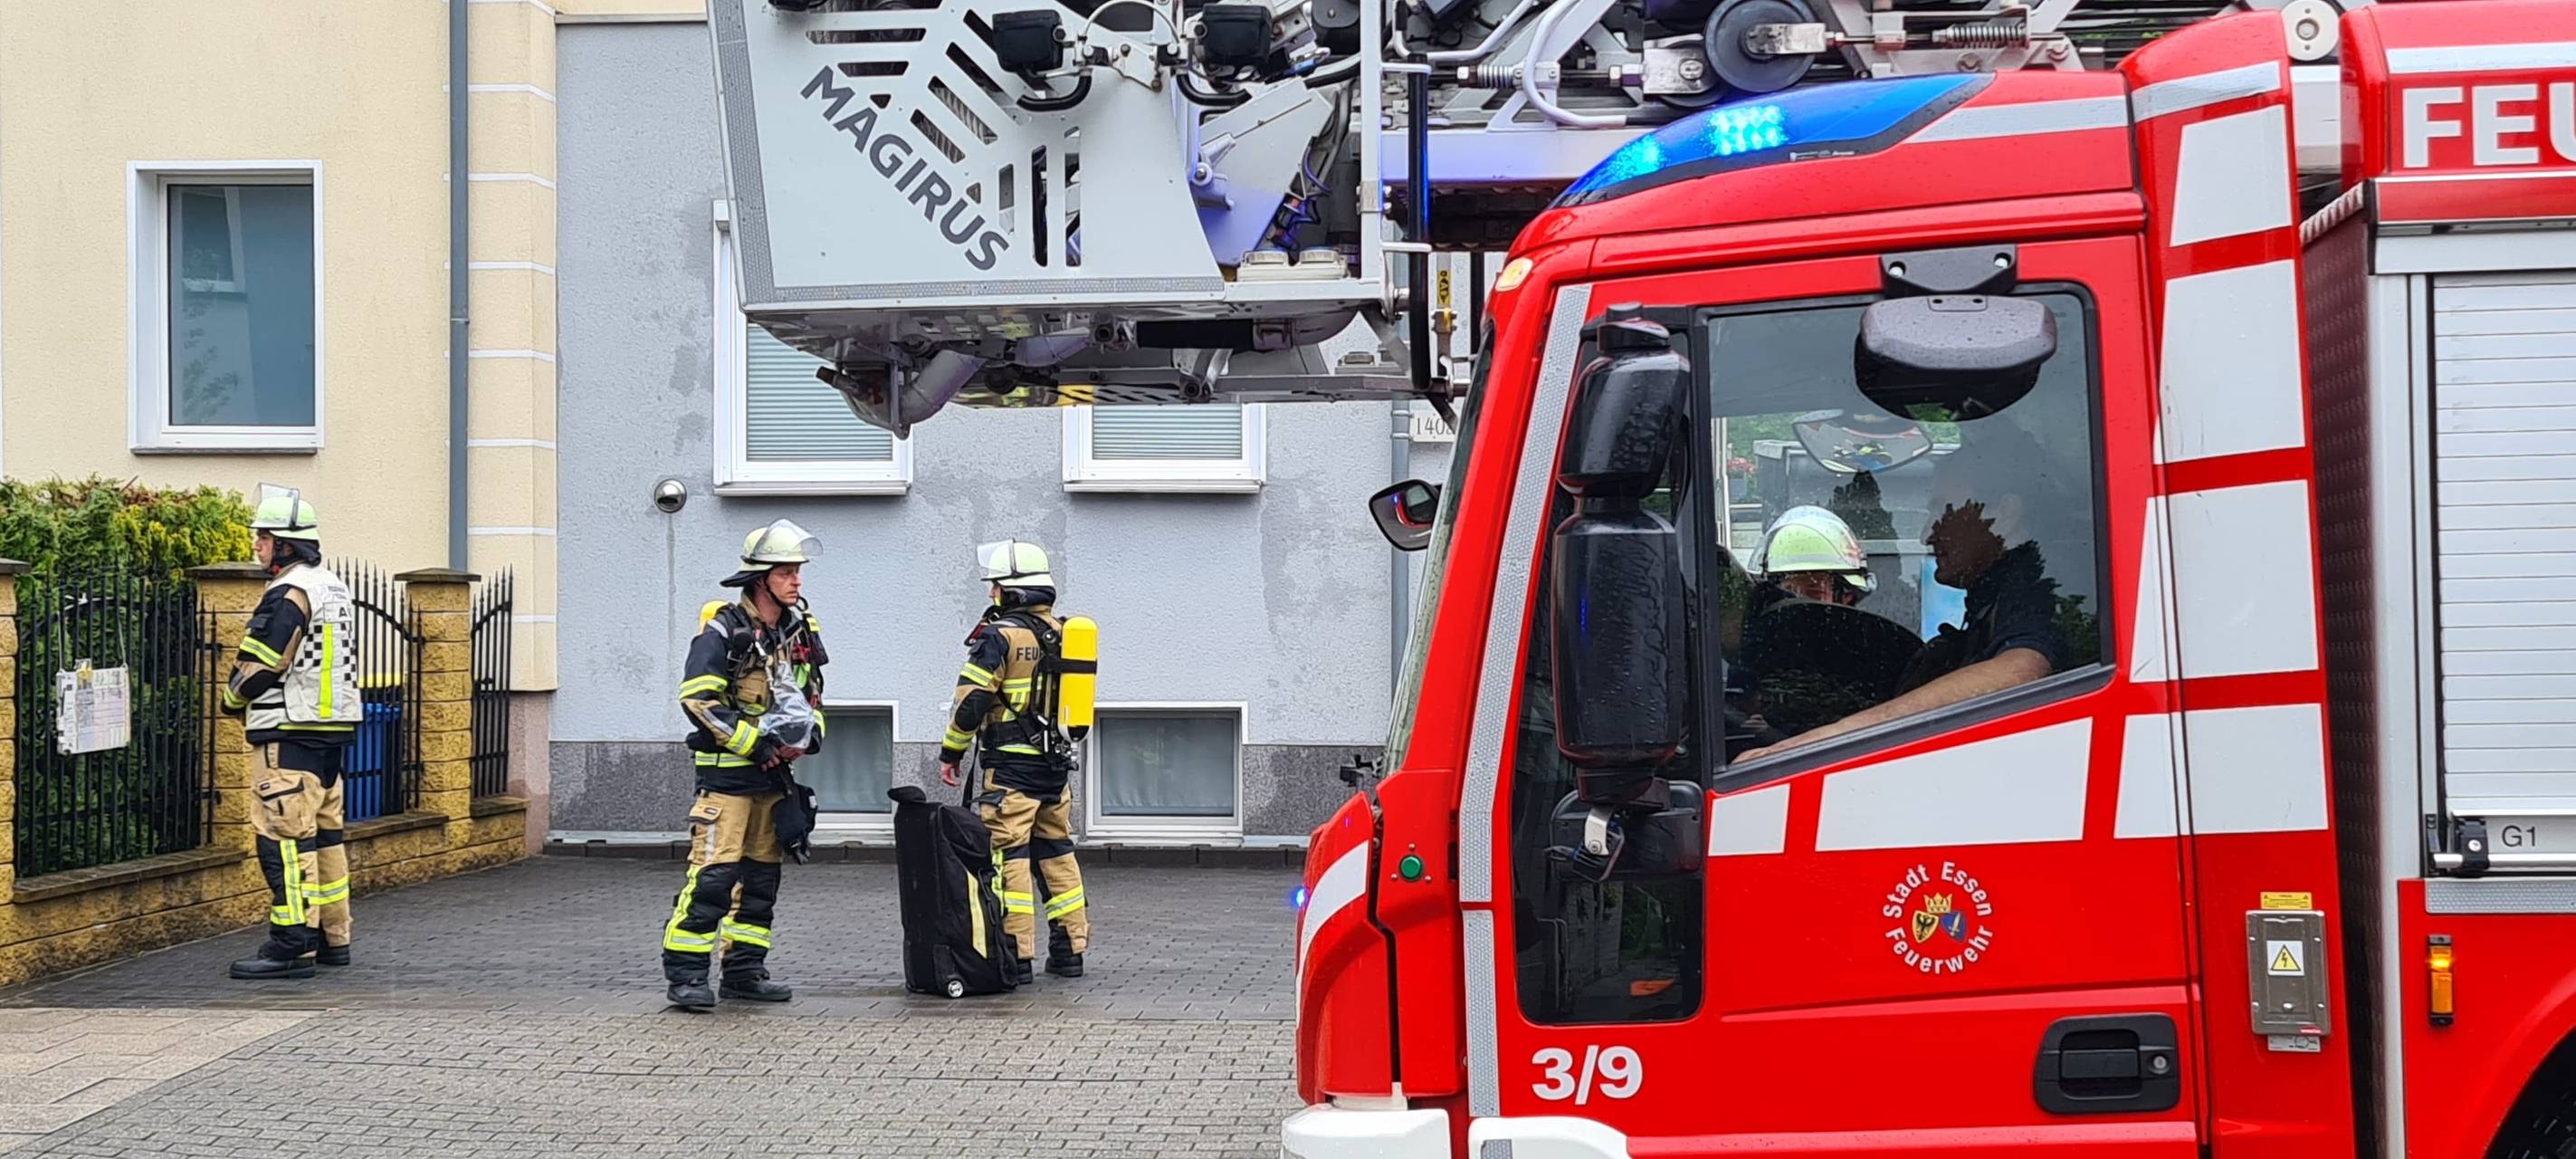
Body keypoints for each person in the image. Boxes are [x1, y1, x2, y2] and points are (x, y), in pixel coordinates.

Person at [1738, 431, 2069, 761]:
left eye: (1942, 510)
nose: (1927, 534)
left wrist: (1819, 743)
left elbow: (2022, 669)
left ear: (2005, 514)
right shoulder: (1995, 594)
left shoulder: (2041, 583)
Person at [662, 519, 828, 1010]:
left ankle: (744, 973)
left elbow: (810, 693)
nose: (797, 580)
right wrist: (755, 743)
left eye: (798, 571)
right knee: (713, 878)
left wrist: (810, 735)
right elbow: (698, 700)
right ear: (761, 580)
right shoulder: (724, 632)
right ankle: (687, 976)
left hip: (773, 780)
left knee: (760, 883)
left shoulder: (799, 632)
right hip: (727, 781)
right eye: (787, 572)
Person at [223, 486, 363, 981]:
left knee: (283, 839)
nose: (256, 546)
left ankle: (290, 944)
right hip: (332, 733)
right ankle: (332, 938)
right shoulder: (335, 587)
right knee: (325, 839)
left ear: (285, 544)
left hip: (288, 734)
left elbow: (262, 663)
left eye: (263, 537)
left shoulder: (288, 593)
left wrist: (232, 697)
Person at [940, 540, 1089, 983]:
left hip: (1009, 773)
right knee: (1058, 852)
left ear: (1014, 591)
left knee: (1010, 858)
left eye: (997, 587)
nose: (991, 595)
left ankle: (1015, 954)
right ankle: (1070, 949)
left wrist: (951, 751)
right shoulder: (1066, 634)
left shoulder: (998, 637)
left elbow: (972, 703)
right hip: (1055, 770)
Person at [1751, 505, 1875, 608]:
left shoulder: (1861, 636)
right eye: (1788, 594)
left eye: (1813, 593)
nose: (1798, 603)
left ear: (1847, 597)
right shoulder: (1757, 635)